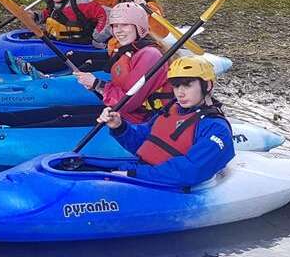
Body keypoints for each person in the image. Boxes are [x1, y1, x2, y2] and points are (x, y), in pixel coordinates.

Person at [0, 2, 171, 129]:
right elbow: (118, 97)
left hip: (141, 122)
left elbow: (128, 101)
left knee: (65, 116)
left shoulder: (149, 55)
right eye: (116, 26)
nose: (119, 31)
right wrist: (94, 87)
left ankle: (0, 123)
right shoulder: (130, 50)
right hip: (125, 114)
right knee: (60, 109)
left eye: (125, 26)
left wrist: (96, 84)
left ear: (140, 28)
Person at [96, 55, 235, 187]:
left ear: (208, 85)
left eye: (187, 85)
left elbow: (190, 171)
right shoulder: (172, 109)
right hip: (144, 174)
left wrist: (134, 175)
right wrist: (119, 126)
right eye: (176, 86)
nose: (180, 93)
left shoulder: (217, 128)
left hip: (164, 186)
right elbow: (143, 142)